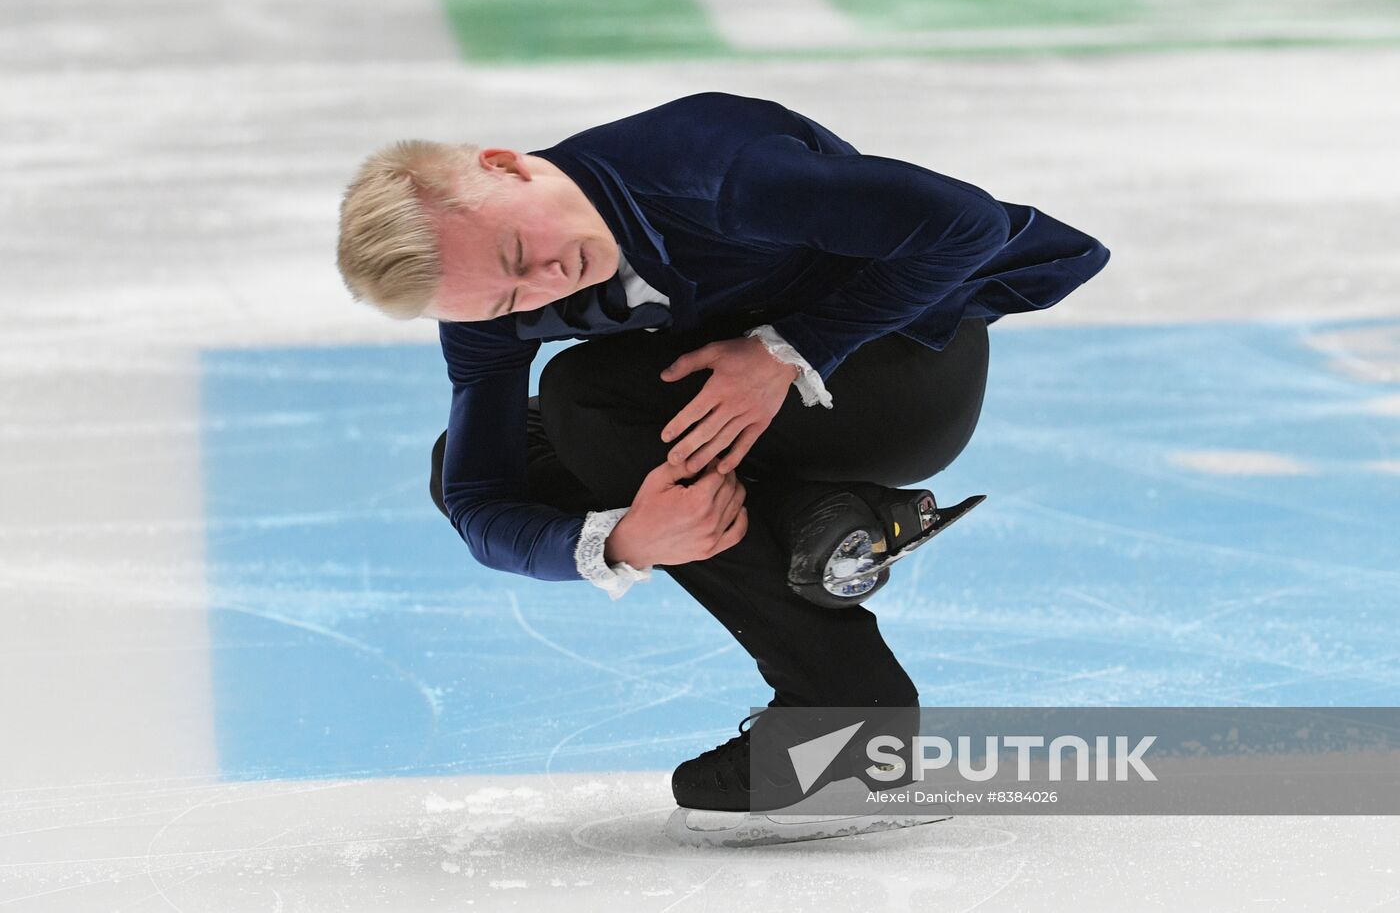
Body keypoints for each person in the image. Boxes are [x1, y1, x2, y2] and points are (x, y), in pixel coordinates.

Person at [335, 91, 1110, 818]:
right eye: (509, 302)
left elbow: (968, 225)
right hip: (754, 405)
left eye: (515, 250)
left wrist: (790, 349)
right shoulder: (485, 302)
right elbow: (477, 497)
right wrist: (625, 541)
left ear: (506, 167)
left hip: (902, 370)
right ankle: (817, 515)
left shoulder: (711, 172)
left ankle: (845, 714)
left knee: (587, 400)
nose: (543, 282)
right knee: (488, 454)